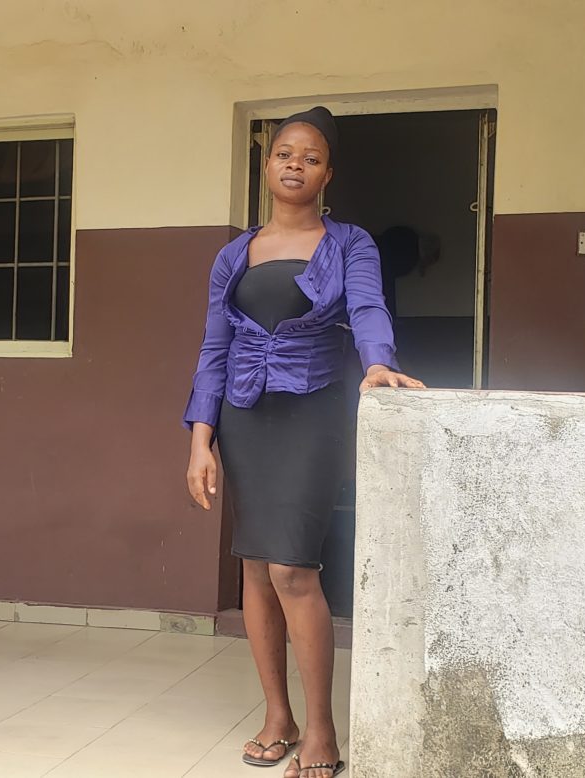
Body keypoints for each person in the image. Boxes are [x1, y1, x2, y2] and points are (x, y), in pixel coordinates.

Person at [181, 106, 424, 778]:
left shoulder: (350, 243)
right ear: (267, 163)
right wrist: (200, 438)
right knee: (256, 565)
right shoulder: (235, 253)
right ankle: (277, 715)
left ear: (327, 174)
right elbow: (213, 347)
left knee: (293, 567)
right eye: (285, 152)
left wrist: (378, 359)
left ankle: (321, 729)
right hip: (243, 416)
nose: (295, 164)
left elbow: (369, 307)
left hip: (314, 409)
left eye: (311, 157)